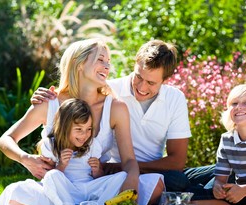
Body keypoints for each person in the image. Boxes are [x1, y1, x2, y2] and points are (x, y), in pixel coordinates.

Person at [0, 38, 164, 205]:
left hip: (96, 188)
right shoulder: (49, 103)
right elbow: (6, 139)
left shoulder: (115, 107)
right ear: (79, 63)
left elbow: (129, 160)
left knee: (155, 184)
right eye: (100, 60)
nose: (106, 66)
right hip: (58, 188)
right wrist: (25, 159)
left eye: (108, 62)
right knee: (16, 193)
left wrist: (131, 181)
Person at [32, 40, 192, 192]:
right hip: (112, 173)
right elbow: (74, 100)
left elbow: (177, 161)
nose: (142, 87)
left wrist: (127, 169)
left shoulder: (174, 98)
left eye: (151, 83)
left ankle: (201, 198)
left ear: (165, 80)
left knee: (191, 178)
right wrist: (44, 98)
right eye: (139, 77)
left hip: (136, 169)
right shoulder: (106, 90)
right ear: (134, 64)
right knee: (181, 184)